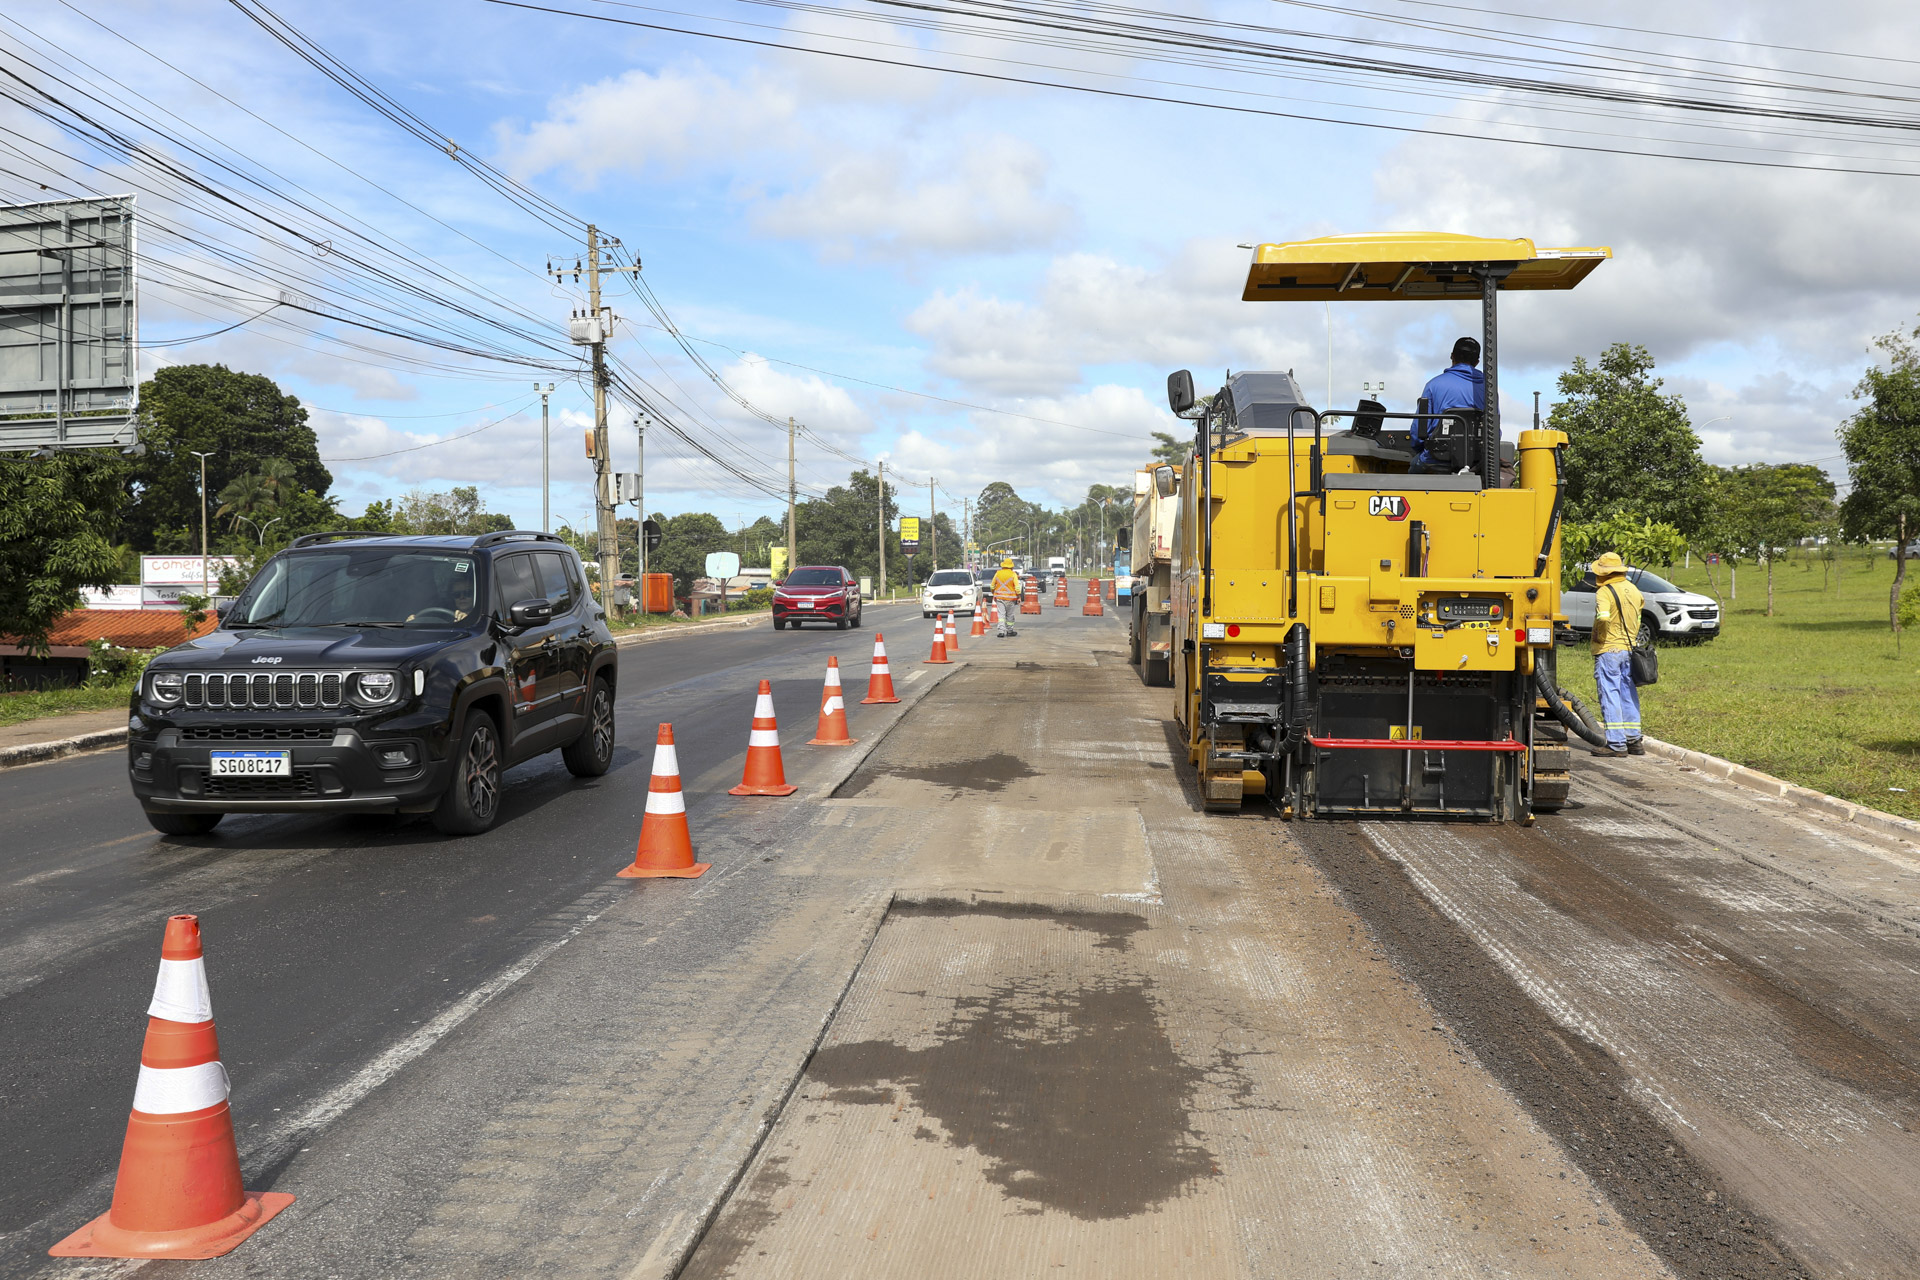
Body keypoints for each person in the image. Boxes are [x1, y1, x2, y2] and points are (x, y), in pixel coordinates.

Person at [1588, 551, 1645, 757]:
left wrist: (1599, 637)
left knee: (1610, 693)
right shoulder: (1634, 590)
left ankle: (1616, 744)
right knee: (1627, 693)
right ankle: (1634, 740)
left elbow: (1603, 618)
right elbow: (1638, 621)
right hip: (1628, 649)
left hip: (1609, 650)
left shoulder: (1604, 592)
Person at [1413, 336, 1485, 472]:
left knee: (1412, 468)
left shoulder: (1433, 385)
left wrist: (1419, 449)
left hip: (1436, 459)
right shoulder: (1489, 390)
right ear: (1476, 362)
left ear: (1452, 356)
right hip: (1477, 461)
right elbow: (1495, 432)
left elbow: (1418, 433)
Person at [990, 557, 1022, 637]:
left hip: (1000, 598)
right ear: (1011, 566)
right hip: (1010, 599)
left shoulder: (998, 573)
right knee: (1010, 615)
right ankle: (1010, 631)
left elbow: (992, 586)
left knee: (1001, 615)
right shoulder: (1013, 574)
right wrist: (1019, 596)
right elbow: (1017, 587)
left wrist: (994, 593)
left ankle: (1001, 631)